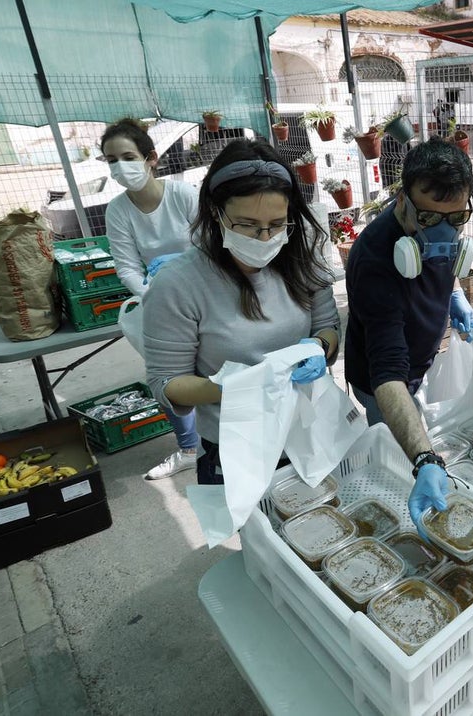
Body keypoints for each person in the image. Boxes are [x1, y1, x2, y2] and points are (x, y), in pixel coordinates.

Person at [143, 139, 340, 486]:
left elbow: (327, 326)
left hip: (309, 428)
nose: (265, 238)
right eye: (247, 225)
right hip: (237, 444)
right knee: (259, 536)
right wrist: (235, 387)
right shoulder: (179, 284)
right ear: (216, 214)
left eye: (277, 224)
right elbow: (168, 383)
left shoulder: (300, 258)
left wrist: (319, 349)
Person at [343, 138, 473, 530]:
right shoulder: (374, 257)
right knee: (395, 462)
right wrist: (425, 459)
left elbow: (443, 261)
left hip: (419, 362)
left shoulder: (445, 227)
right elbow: (387, 374)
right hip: (380, 383)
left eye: (456, 219)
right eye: (430, 219)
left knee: (416, 432)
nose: (444, 232)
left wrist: (455, 296)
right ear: (402, 199)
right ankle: (393, 522)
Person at [101, 118, 202, 481]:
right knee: (166, 378)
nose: (119, 166)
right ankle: (189, 449)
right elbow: (127, 266)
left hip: (206, 293)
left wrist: (182, 266)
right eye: (111, 160)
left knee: (210, 368)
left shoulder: (183, 195)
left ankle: (219, 440)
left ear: (151, 158)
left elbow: (211, 246)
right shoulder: (118, 210)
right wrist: (153, 294)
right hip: (158, 300)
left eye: (127, 156)